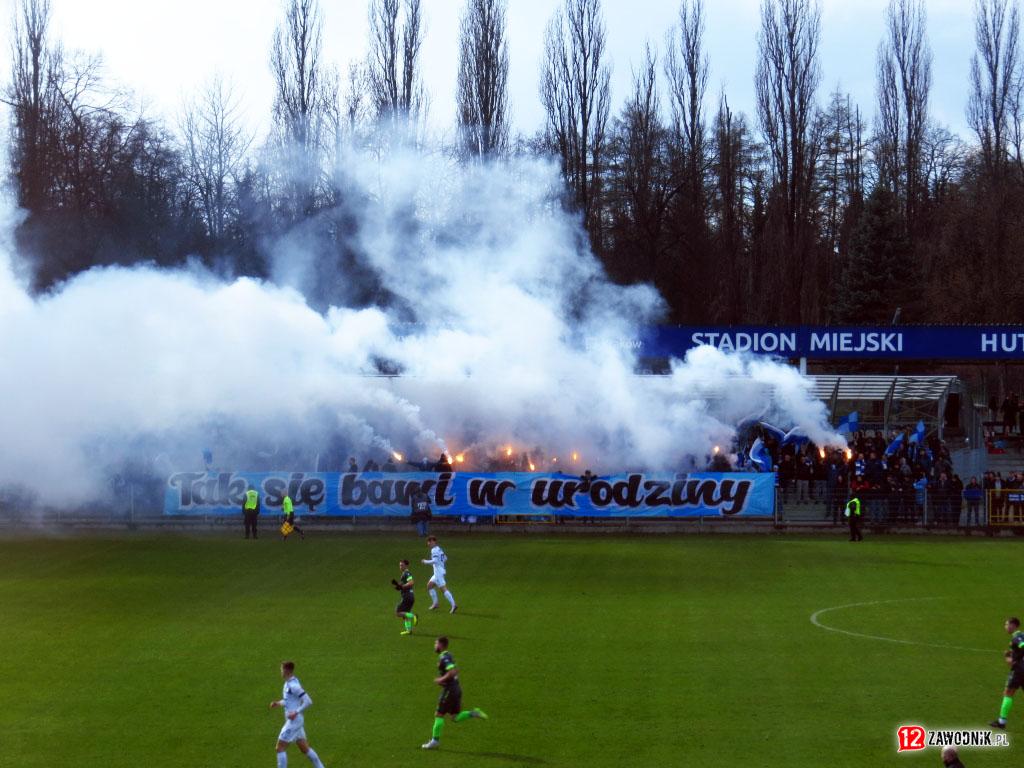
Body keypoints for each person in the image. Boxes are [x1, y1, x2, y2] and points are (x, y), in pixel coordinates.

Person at [421, 636, 488, 749]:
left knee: (439, 714)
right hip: (456, 688)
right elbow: (456, 670)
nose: (435, 646)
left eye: (436, 643)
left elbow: (452, 672)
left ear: (441, 645)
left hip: (450, 690)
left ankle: (435, 741)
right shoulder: (449, 655)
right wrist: (446, 680)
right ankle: (473, 713)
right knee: (454, 717)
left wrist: (441, 680)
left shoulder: (444, 658)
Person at [269, 661, 327, 768]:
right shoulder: (288, 683)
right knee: (304, 748)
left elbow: (308, 701)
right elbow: (289, 700)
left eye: (282, 670)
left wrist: (296, 712)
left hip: (294, 721)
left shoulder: (294, 686)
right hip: (295, 721)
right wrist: (278, 703)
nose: (281, 672)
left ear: (287, 671)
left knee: (280, 748)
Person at [990, 616, 1024, 729]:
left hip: (1019, 670)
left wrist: (1013, 660)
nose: (1005, 627)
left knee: (1008, 693)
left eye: (1007, 624)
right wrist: (1012, 653)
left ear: (1013, 625)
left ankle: (1001, 722)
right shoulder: (1019, 636)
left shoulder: (1017, 637)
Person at [423, 536, 457, 613]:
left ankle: (453, 605)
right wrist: (440, 564)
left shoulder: (434, 550)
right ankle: (435, 603)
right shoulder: (439, 549)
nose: (428, 543)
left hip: (438, 573)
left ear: (434, 541)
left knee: (443, 589)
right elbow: (445, 558)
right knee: (429, 586)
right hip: (439, 571)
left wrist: (425, 561)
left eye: (429, 542)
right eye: (428, 542)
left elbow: (434, 560)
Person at [393, 559, 418, 635]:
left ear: (406, 565)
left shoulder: (407, 573)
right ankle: (408, 630)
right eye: (400, 565)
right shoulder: (404, 574)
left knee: (398, 612)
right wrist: (398, 586)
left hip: (407, 596)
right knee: (405, 614)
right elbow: (401, 585)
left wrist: (402, 586)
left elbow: (411, 583)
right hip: (410, 596)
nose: (400, 567)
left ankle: (413, 616)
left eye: (402, 565)